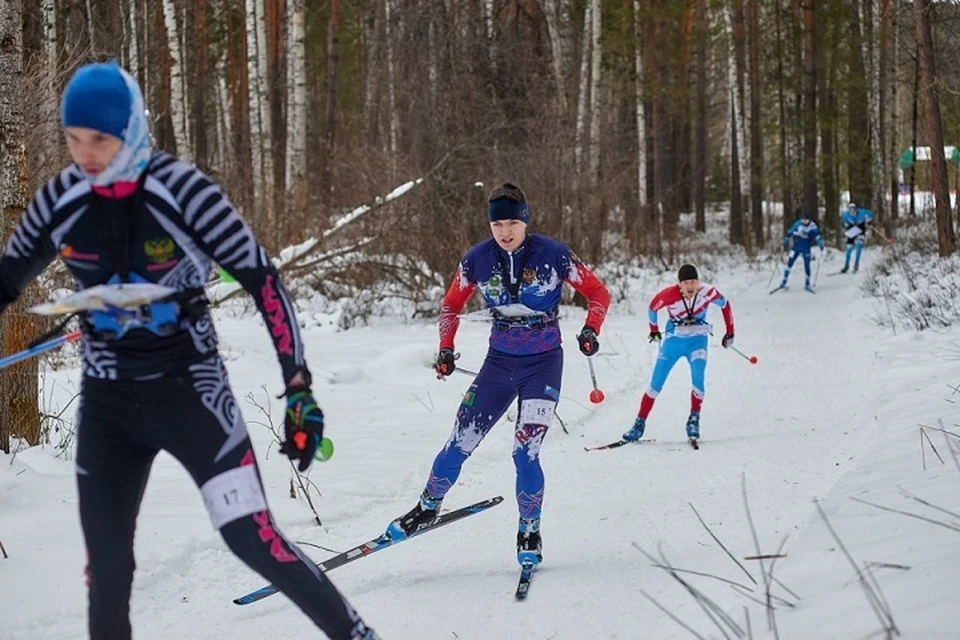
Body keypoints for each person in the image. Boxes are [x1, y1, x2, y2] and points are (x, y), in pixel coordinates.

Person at [0, 61, 376, 640]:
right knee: (107, 572)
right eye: (73, 141)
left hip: (192, 392)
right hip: (108, 406)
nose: (86, 155)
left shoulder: (182, 190)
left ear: (130, 132)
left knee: (254, 539)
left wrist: (297, 389)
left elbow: (262, 279)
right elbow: (6, 280)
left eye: (99, 139)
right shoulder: (62, 199)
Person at [384, 183, 610, 568]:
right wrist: (445, 348)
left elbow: (598, 293)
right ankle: (427, 506)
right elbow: (450, 305)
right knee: (459, 442)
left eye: (511, 223)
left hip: (543, 364)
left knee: (525, 453)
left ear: (525, 220)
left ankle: (529, 529)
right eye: (497, 224)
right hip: (499, 364)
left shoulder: (554, 254)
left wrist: (591, 329)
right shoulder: (477, 259)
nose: (504, 232)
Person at [622, 264, 734, 445]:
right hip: (673, 343)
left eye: (694, 282)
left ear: (698, 282)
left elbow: (725, 304)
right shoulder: (669, 295)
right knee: (655, 384)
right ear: (680, 284)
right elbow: (652, 308)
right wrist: (654, 330)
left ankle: (693, 420)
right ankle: (638, 424)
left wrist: (730, 332)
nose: (691, 287)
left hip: (697, 341)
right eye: (686, 283)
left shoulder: (707, 292)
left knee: (698, 378)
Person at [778, 212, 825, 291]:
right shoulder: (798, 224)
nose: (804, 221)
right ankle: (784, 280)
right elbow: (790, 232)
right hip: (797, 245)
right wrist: (785, 240)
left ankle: (807, 282)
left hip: (806, 246)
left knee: (807, 263)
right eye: (803, 220)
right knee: (790, 261)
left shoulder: (812, 226)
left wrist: (820, 243)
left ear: (809, 220)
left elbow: (817, 236)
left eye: (806, 220)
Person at [841, 202, 874, 273]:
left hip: (860, 230)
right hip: (851, 231)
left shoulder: (862, 212)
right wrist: (845, 225)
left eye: (854, 210)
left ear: (856, 209)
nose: (853, 212)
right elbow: (843, 220)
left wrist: (869, 221)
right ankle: (846, 265)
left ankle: (856, 264)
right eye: (851, 211)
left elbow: (870, 214)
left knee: (859, 246)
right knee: (848, 248)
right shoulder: (846, 214)